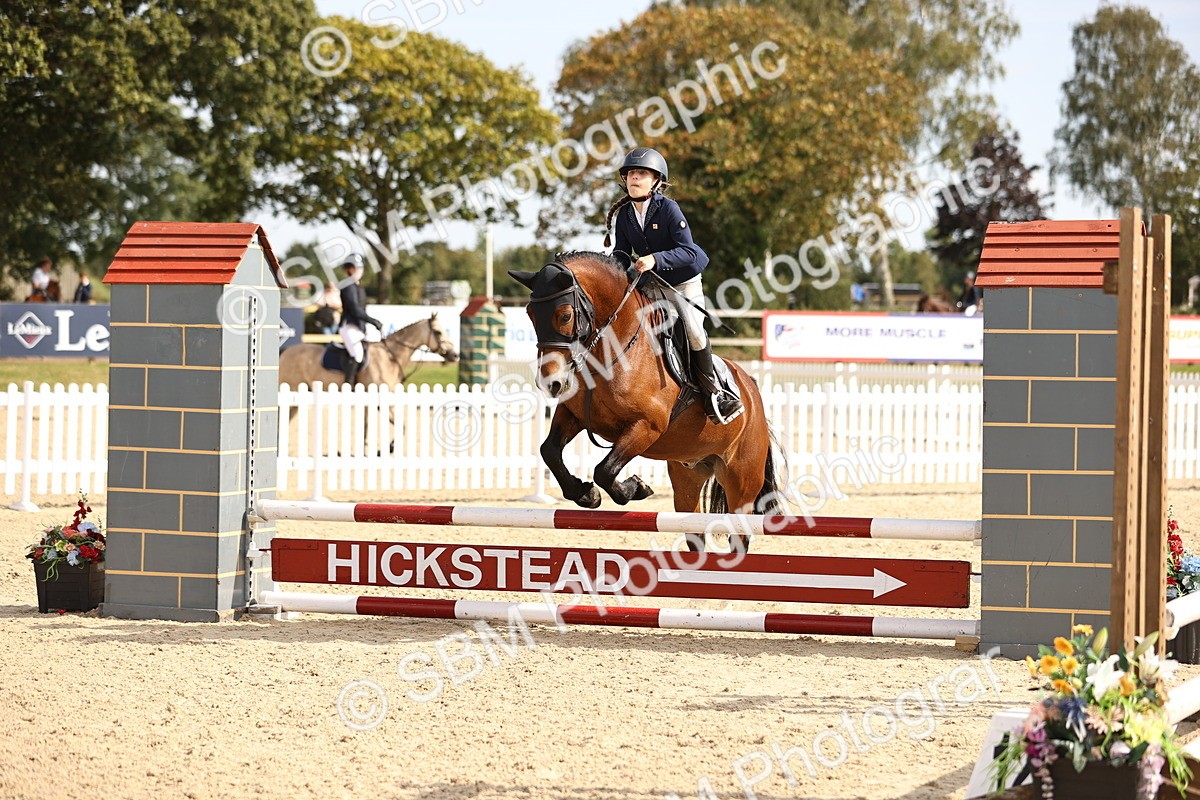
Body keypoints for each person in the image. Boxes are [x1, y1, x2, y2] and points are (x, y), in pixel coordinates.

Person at [604, 147, 742, 424]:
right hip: (652, 283)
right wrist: (609, 266)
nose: (634, 178)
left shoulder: (669, 209)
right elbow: (621, 251)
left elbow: (688, 251)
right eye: (631, 173)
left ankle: (714, 392)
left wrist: (655, 258)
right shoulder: (626, 216)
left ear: (656, 181)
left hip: (683, 281)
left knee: (692, 330)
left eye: (641, 173)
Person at [337, 254, 383, 385]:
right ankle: (348, 385)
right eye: (358, 268)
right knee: (357, 354)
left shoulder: (358, 287)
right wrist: (373, 321)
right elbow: (355, 309)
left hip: (359, 327)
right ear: (350, 269)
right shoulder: (347, 286)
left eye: (361, 268)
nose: (361, 271)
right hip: (349, 326)